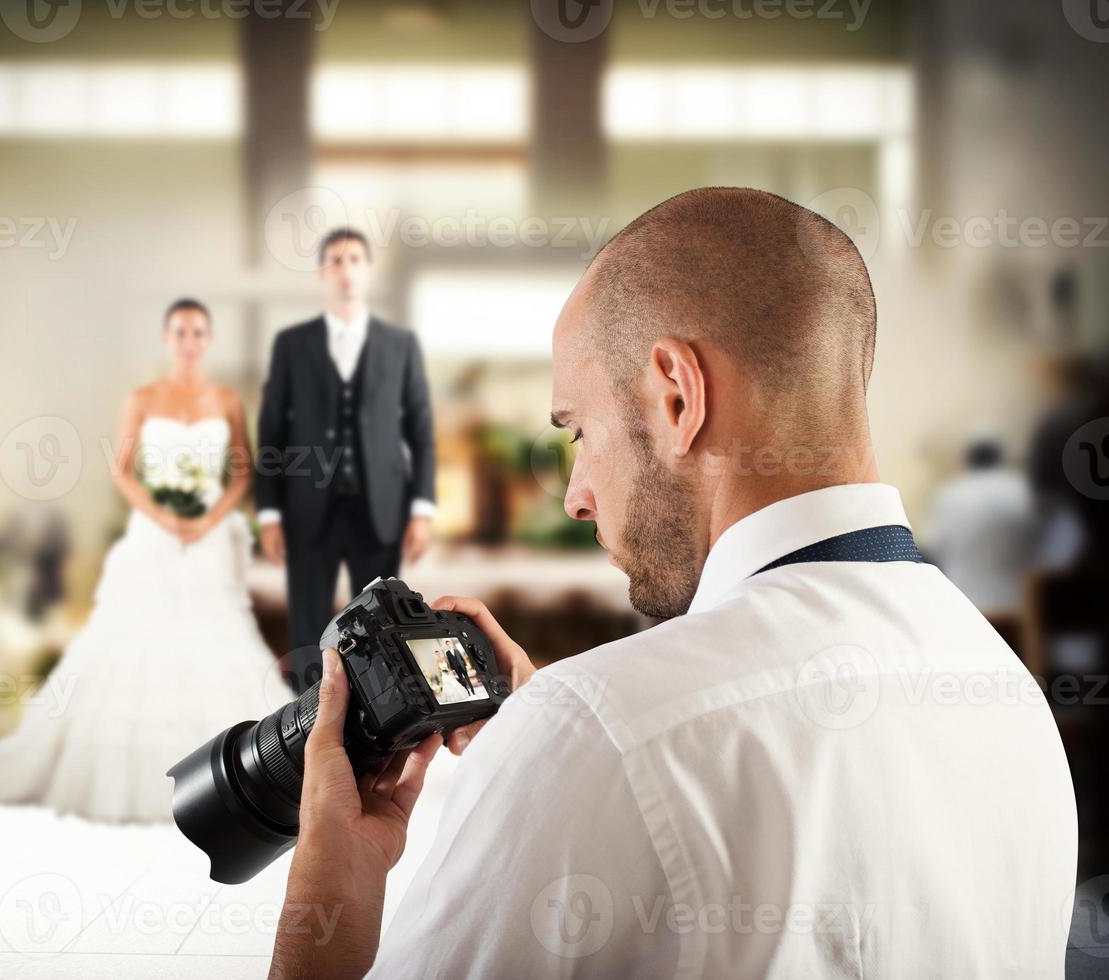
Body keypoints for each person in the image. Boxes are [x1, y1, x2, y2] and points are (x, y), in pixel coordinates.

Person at [269, 189, 1077, 978]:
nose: (575, 494)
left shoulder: (593, 733)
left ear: (677, 396)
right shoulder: (1009, 691)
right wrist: (560, 744)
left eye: (579, 431)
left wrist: (323, 915)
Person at [0, 299, 277, 822]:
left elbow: (240, 471)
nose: (189, 341)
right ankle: (136, 776)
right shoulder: (143, 398)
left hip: (209, 535)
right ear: (166, 338)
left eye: (198, 332)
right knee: (136, 637)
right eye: (180, 332)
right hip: (155, 531)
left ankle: (233, 773)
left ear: (208, 340)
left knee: (213, 637)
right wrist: (164, 516)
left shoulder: (226, 400)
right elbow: (122, 470)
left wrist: (208, 517)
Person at [256, 228, 436, 693]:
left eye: (354, 259)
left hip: (380, 510)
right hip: (307, 509)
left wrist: (422, 510)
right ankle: (305, 727)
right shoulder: (292, 344)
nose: (345, 268)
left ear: (367, 270)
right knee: (309, 625)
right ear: (322, 272)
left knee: (379, 622)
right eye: (335, 260)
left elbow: (420, 431)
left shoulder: (401, 345)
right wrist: (270, 513)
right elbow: (272, 430)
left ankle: (378, 718)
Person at [926, 439, 1036, 613]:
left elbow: (934, 548)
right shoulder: (1020, 489)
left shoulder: (950, 496)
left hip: (966, 603)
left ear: (968, 461)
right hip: (1019, 604)